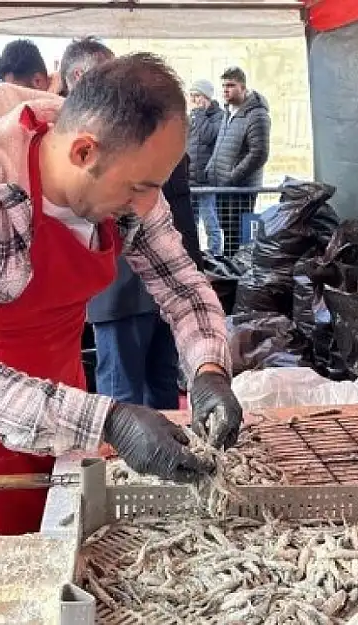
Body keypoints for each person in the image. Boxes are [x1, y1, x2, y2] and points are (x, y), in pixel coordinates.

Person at [0, 54, 243, 581]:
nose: (148, 204)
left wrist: (209, 372)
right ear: (84, 151)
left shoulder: (132, 190)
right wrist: (110, 420)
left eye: (157, 185)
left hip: (60, 370)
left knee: (68, 534)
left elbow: (183, 288)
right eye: (137, 187)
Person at [79, 41, 203, 410]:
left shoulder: (158, 138)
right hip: (117, 295)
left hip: (157, 286)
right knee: (122, 399)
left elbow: (175, 211)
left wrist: (210, 367)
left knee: (160, 390)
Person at [205, 66, 271, 255]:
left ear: (243, 87)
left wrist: (233, 177)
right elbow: (220, 144)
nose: (226, 90)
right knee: (228, 231)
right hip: (223, 185)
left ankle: (240, 275)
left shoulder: (256, 114)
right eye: (224, 85)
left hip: (241, 188)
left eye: (231, 85)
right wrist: (211, 169)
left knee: (240, 236)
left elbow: (259, 153)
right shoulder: (228, 111)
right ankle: (230, 271)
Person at [186, 79, 224, 252]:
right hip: (191, 180)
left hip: (207, 181)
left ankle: (215, 255)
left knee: (210, 222)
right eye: (191, 95)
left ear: (207, 97)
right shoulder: (192, 116)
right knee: (189, 224)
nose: (193, 100)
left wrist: (199, 113)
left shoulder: (219, 116)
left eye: (197, 96)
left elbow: (209, 136)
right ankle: (193, 254)